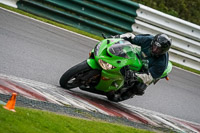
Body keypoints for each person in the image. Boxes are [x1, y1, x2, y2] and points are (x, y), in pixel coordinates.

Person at [109, 33, 172, 101]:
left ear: (163, 51)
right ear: (152, 42)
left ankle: (124, 95)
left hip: (148, 69)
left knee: (139, 85)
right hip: (140, 56)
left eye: (158, 49)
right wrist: (116, 37)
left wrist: (134, 75)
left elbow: (149, 77)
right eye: (154, 46)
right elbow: (131, 37)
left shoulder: (162, 63)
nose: (155, 50)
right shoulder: (148, 39)